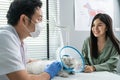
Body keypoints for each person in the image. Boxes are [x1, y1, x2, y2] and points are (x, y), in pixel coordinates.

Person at [0, 0, 62, 80]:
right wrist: (48, 73)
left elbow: (25, 61)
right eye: (39, 19)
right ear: (24, 19)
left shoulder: (20, 41)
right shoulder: (5, 38)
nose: (41, 24)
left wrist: (49, 63)